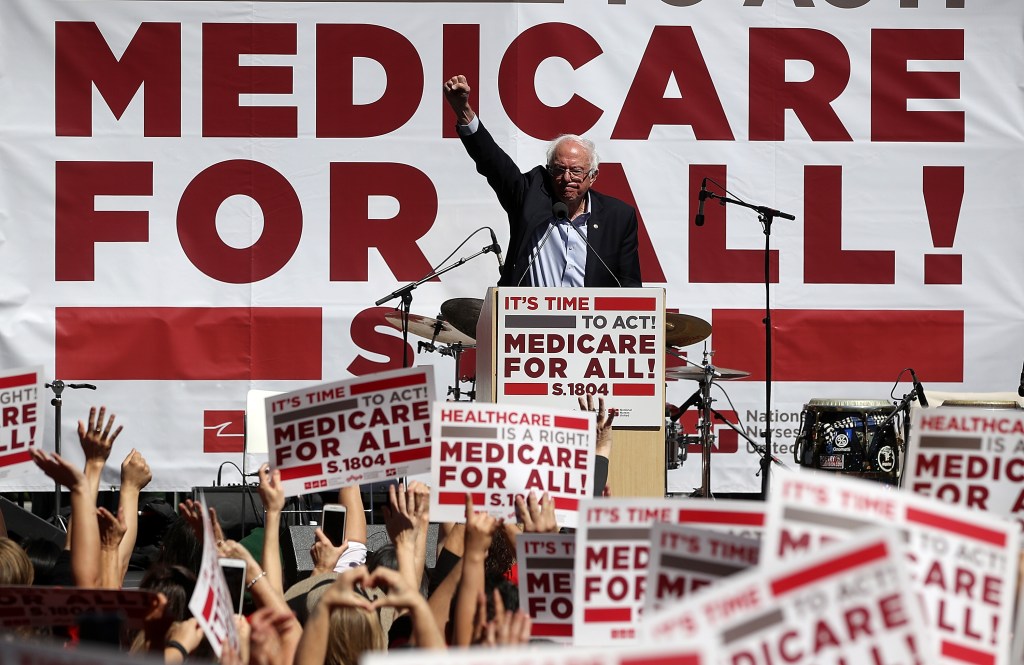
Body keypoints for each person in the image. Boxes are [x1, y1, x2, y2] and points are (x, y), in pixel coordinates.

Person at [442, 75, 642, 288]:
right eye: (559, 169)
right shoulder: (528, 196)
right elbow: (492, 162)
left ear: (593, 176)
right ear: (548, 170)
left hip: (591, 319)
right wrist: (463, 110)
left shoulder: (618, 217)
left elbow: (629, 287)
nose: (566, 178)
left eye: (576, 171)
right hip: (529, 318)